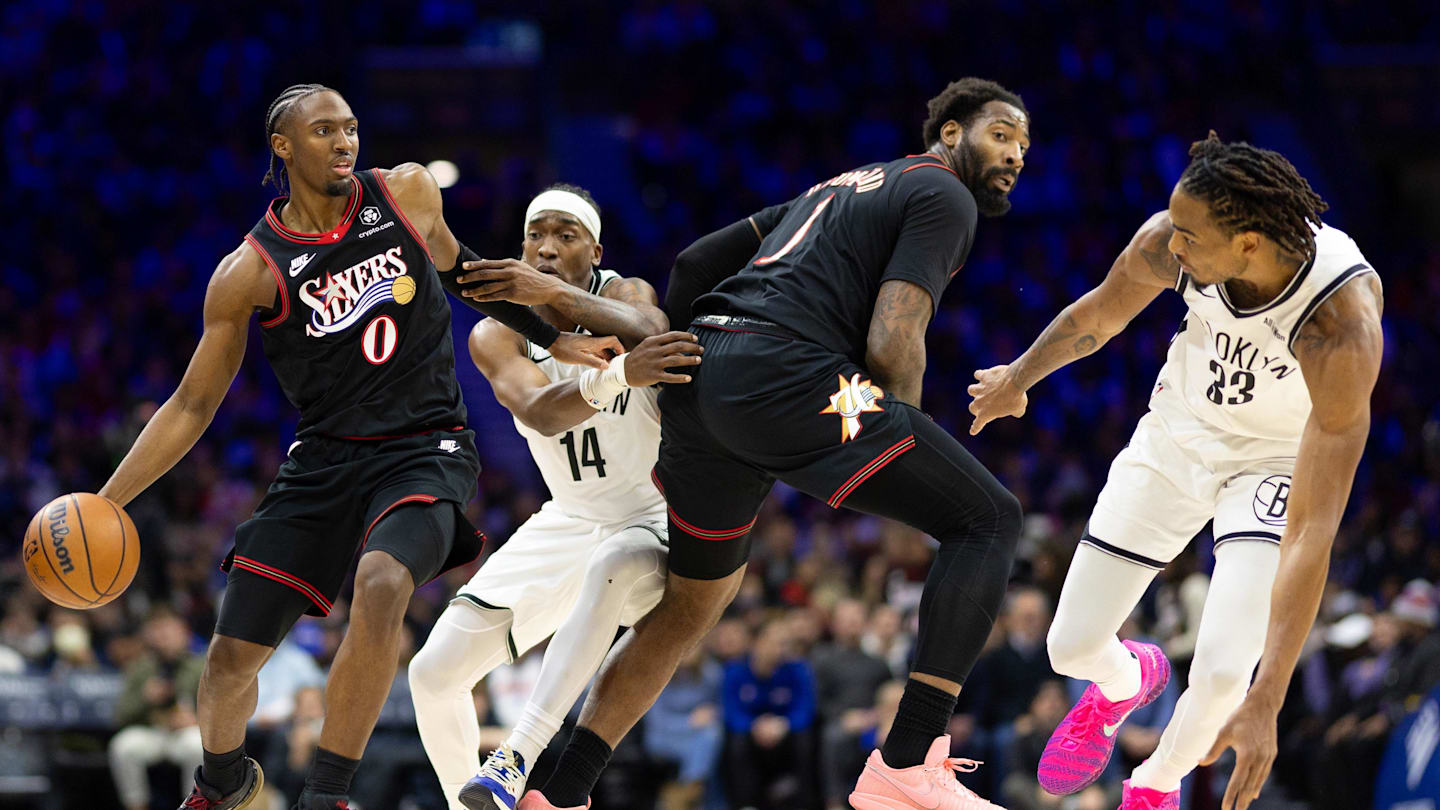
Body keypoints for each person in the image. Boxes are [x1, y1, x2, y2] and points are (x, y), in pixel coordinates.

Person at [95, 84, 620, 810]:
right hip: (325, 458)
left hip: (424, 449)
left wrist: (554, 334)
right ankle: (223, 785)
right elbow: (192, 403)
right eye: (323, 131)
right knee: (227, 662)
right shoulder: (249, 270)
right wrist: (105, 501)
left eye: (350, 128)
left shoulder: (404, 192)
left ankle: (328, 794)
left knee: (381, 587)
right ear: (282, 147)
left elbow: (465, 273)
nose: (344, 142)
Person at [522, 76, 1032, 810]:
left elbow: (695, 264)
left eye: (1023, 144)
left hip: (704, 378)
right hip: (787, 373)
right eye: (1001, 134)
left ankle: (562, 793)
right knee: (989, 519)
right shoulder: (942, 192)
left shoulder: (833, 189)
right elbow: (896, 330)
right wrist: (901, 438)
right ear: (950, 134)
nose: (1015, 153)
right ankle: (907, 765)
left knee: (693, 604)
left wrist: (712, 371)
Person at [968, 132, 1384, 810]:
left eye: (1190, 236)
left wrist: (1268, 697)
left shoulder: (1339, 324)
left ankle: (1154, 789)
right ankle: (1127, 678)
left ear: (1249, 242)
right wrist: (1020, 377)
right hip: (1178, 436)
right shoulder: (1171, 240)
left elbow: (1313, 531)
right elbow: (1100, 313)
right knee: (1068, 648)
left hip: (1275, 463)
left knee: (1226, 673)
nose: (1173, 245)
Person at [407, 183, 703, 810]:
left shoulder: (624, 294)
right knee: (431, 675)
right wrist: (619, 372)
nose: (545, 249)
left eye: (564, 236)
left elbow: (651, 327)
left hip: (652, 517)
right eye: (534, 237)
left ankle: (517, 755)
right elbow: (542, 413)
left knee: (615, 562)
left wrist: (555, 297)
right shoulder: (496, 335)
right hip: (568, 519)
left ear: (595, 251)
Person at [107, 607, 206, 810]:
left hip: (185, 733)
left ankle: (194, 807)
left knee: (197, 744)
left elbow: (219, 709)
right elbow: (120, 716)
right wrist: (144, 698)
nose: (164, 637)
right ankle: (137, 806)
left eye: (169, 630)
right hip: (152, 732)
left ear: (184, 633)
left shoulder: (200, 666)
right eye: (158, 631)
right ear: (149, 635)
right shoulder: (140, 668)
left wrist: (195, 719)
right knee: (123, 746)